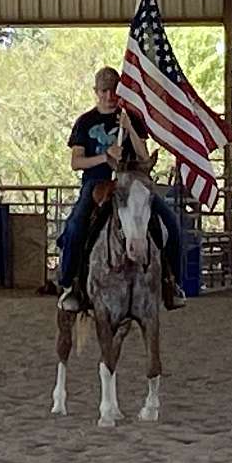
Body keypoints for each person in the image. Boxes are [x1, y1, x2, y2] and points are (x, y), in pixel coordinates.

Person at [57, 65, 185, 311]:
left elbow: (144, 156)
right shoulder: (85, 122)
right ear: (96, 91)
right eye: (104, 91)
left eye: (114, 90)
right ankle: (69, 285)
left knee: (170, 223)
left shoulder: (131, 118)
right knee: (76, 227)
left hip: (132, 183)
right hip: (97, 185)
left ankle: (173, 282)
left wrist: (130, 130)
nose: (109, 95)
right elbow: (76, 162)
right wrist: (105, 156)